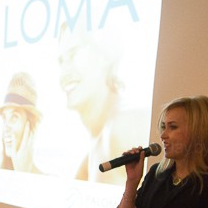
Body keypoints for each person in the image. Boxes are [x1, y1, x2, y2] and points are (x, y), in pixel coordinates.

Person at [58, 21, 145, 185]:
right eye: (61, 61)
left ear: (105, 54)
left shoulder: (123, 128)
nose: (64, 73)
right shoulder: (99, 139)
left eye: (73, 55)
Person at [0, 72, 42, 173]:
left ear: (30, 127)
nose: (6, 128)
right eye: (5, 118)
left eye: (14, 117)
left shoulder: (49, 180)